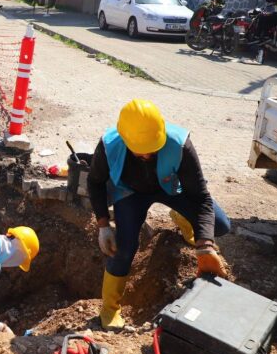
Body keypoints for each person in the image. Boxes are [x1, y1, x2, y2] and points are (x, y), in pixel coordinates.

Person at [88, 99, 231, 329]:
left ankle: (183, 217)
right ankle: (109, 310)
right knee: (123, 249)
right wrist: (103, 225)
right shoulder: (109, 146)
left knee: (221, 226)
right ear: (126, 139)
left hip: (169, 188)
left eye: (153, 149)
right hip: (129, 193)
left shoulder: (180, 145)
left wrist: (205, 244)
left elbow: (201, 197)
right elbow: (95, 182)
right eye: (141, 151)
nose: (148, 156)